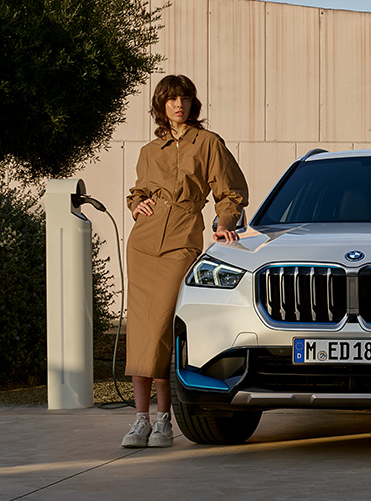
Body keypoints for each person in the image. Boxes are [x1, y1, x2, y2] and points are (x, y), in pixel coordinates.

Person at [121, 74, 248, 448]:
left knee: (162, 325)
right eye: (171, 99)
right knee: (141, 329)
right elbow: (139, 190)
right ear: (160, 105)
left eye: (185, 98)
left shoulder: (208, 143)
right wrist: (136, 204)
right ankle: (139, 420)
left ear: (194, 104)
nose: (178, 104)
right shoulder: (149, 150)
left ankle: (164, 419)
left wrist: (225, 225)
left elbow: (230, 191)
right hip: (143, 243)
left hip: (181, 239)